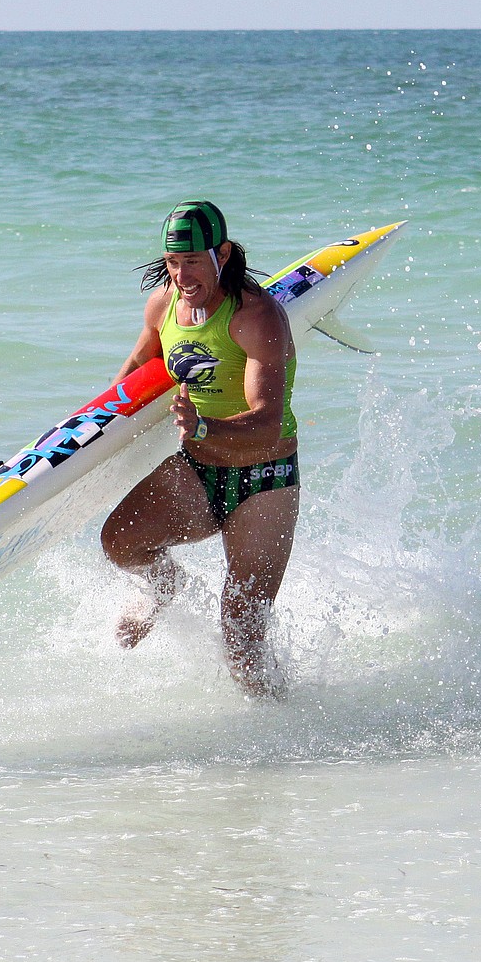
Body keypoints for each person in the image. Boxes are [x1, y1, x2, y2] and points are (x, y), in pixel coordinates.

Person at [101, 200, 299, 698]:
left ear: (223, 254)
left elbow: (268, 422)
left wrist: (204, 427)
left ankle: (282, 734)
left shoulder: (257, 317)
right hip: (198, 468)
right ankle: (164, 584)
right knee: (119, 543)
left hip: (265, 479)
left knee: (242, 634)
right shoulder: (164, 306)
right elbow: (136, 370)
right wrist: (91, 431)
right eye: (173, 261)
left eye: (192, 261)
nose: (181, 274)